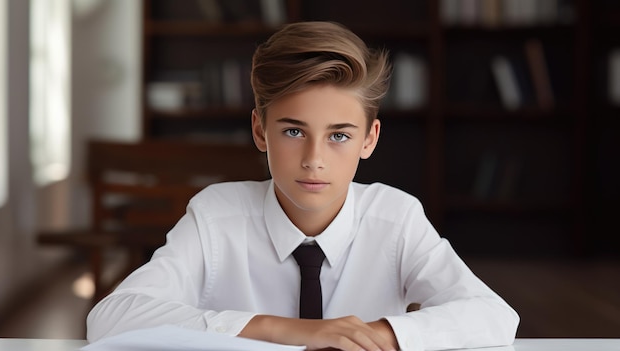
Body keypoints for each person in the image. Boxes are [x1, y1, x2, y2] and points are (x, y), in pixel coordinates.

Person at [86, 21, 519, 351]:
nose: (314, 158)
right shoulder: (217, 216)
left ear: (369, 139)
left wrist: (369, 336)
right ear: (260, 131)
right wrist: (293, 331)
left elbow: (494, 316)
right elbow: (111, 317)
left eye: (339, 135)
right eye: (294, 132)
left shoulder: (395, 218)